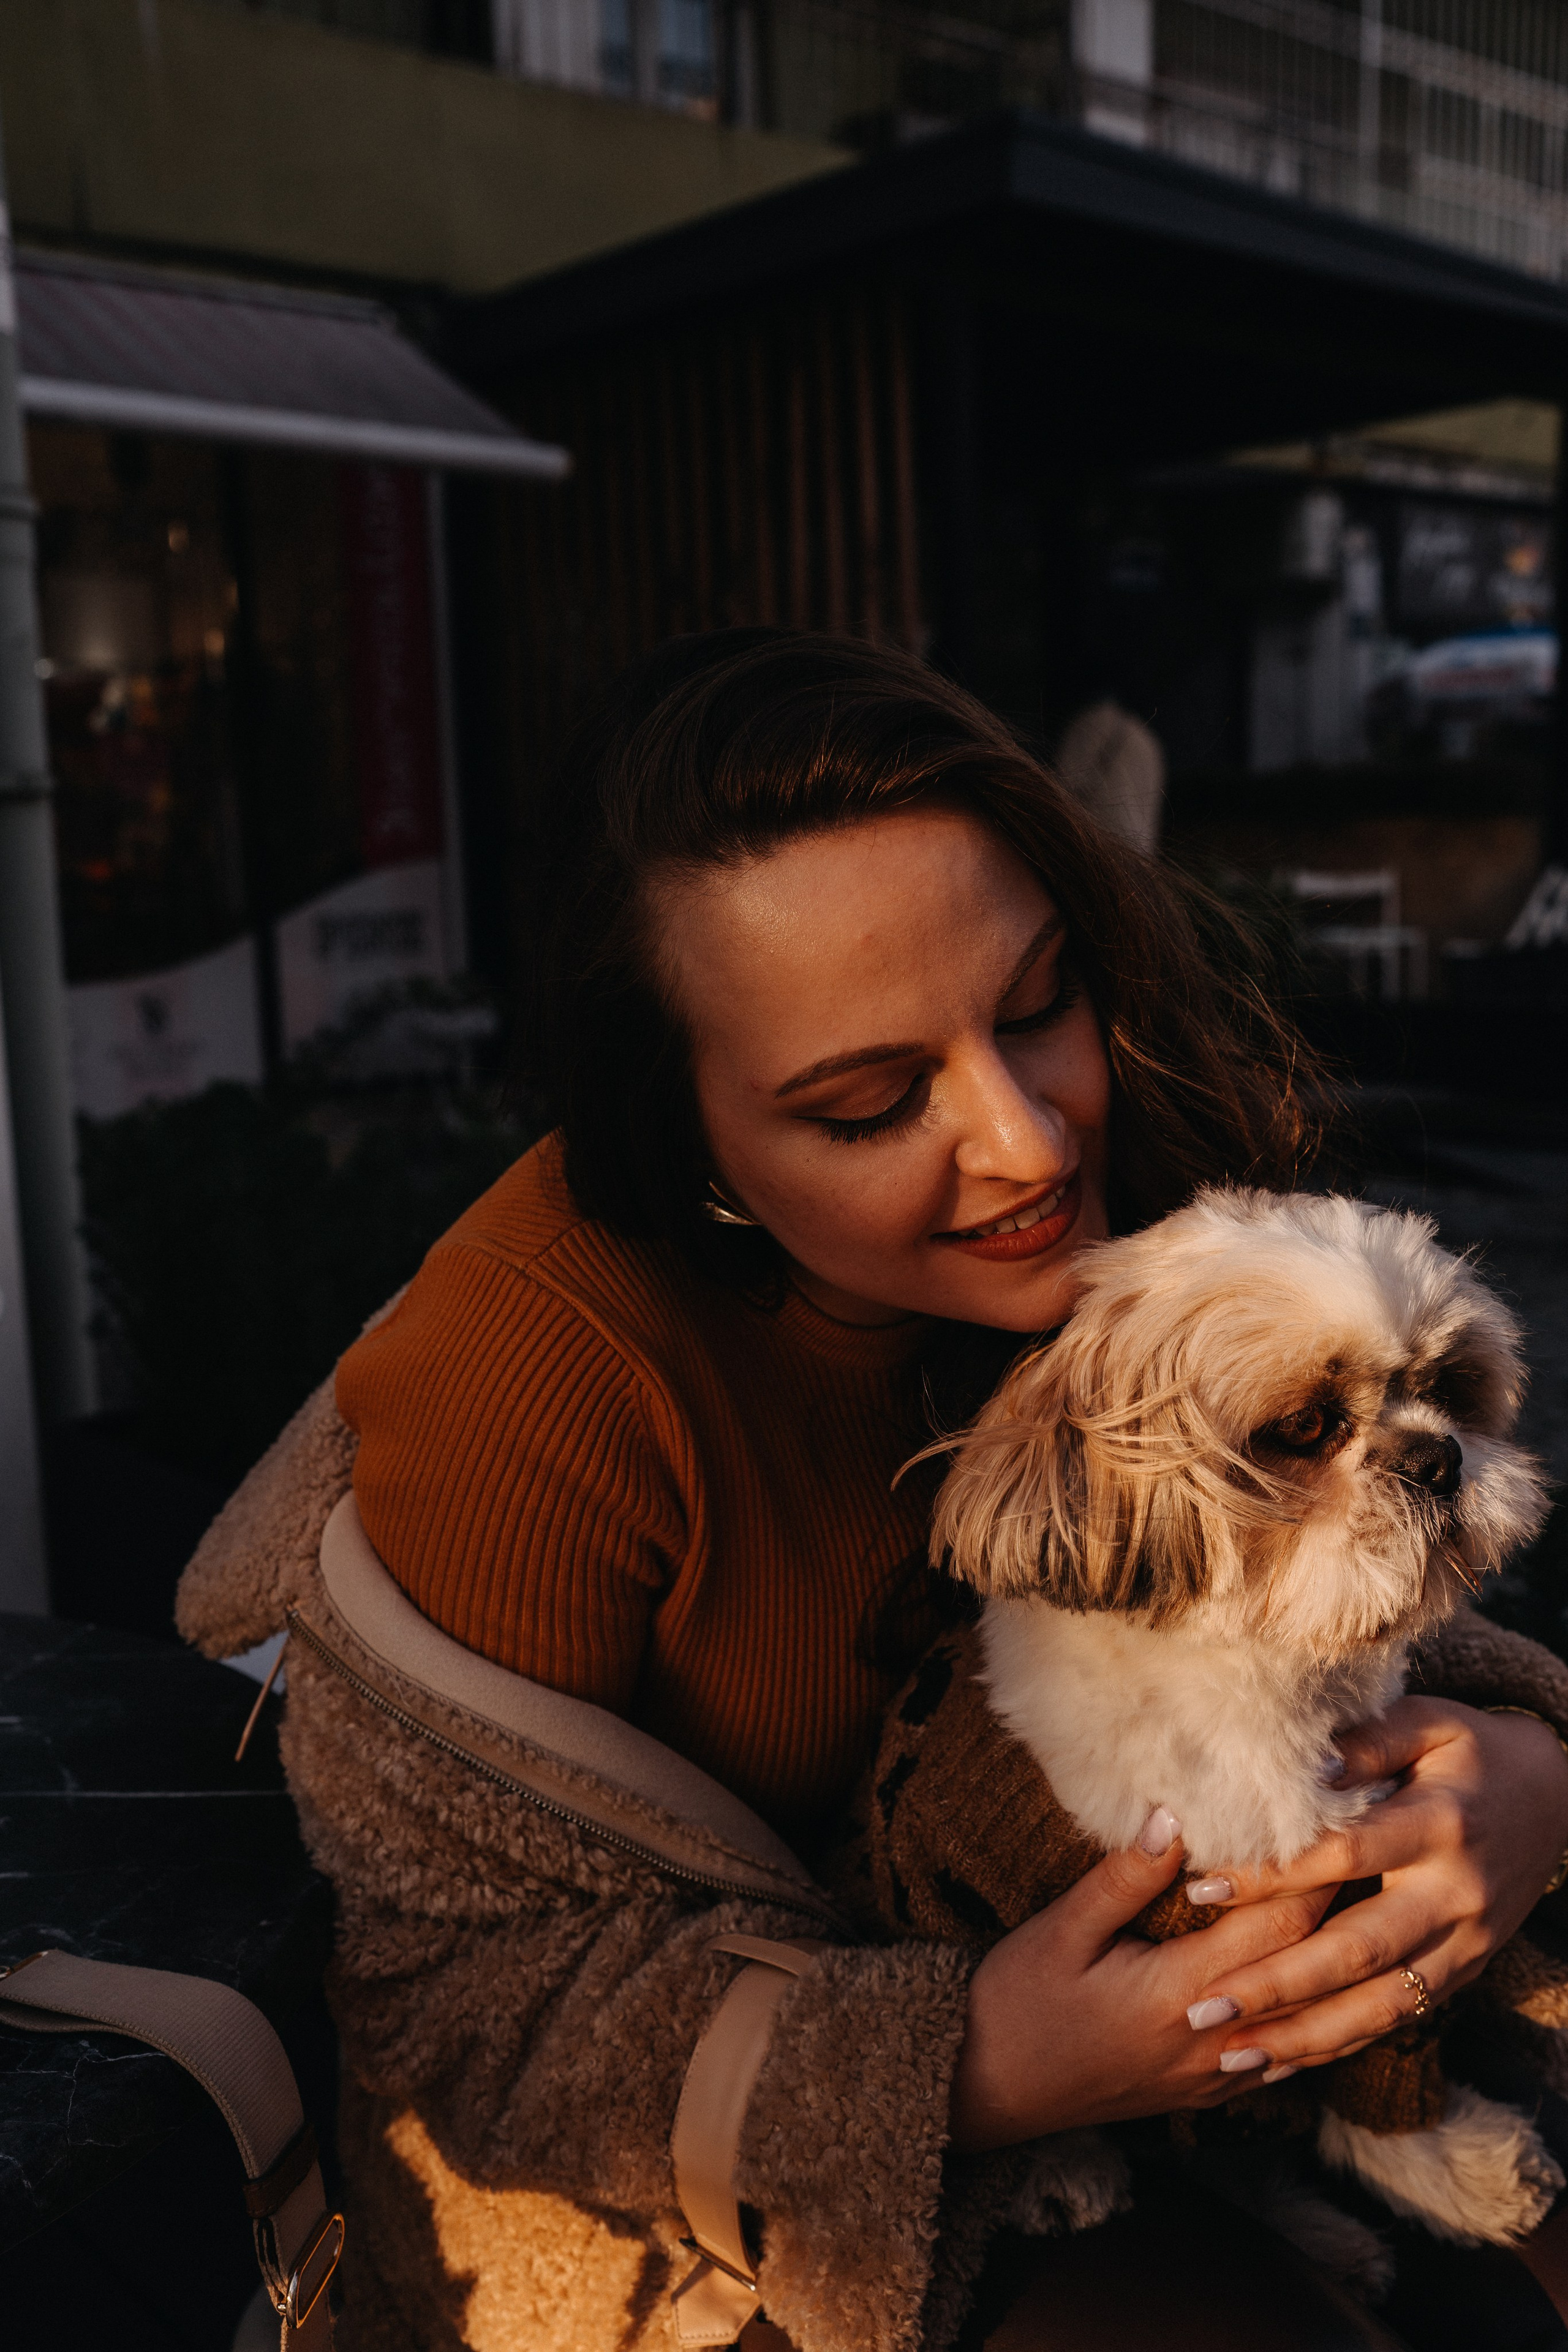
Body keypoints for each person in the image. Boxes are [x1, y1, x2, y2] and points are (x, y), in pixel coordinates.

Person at [180, 631, 1568, 2351]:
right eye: (869, 1101)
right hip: (706, 2218)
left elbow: (1345, 1608)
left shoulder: (1155, 1180)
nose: (1027, 1141)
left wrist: (1525, 1775)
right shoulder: (530, 1384)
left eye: (1040, 1002)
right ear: (684, 1142)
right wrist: (975, 2060)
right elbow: (461, 2011)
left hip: (1209, 2064)